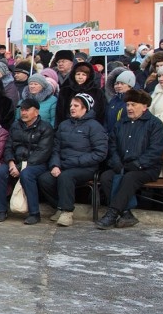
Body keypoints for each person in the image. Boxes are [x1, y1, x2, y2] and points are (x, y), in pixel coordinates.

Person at [96, 89, 163, 229]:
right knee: (106, 176)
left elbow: (156, 150)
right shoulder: (121, 123)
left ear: (144, 106)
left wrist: (138, 164)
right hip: (123, 165)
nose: (129, 108)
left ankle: (112, 213)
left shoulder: (155, 124)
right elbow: (112, 145)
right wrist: (116, 162)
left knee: (130, 177)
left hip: (146, 168)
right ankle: (126, 214)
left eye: (133, 105)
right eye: (128, 105)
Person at [37, 94, 109, 227]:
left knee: (66, 177)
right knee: (44, 179)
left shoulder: (94, 126)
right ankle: (59, 206)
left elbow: (100, 153)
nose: (72, 108)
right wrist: (55, 165)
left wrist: (74, 162)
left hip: (86, 167)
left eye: (76, 106)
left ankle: (67, 212)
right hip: (63, 165)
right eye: (71, 105)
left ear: (85, 109)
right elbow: (55, 148)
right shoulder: (64, 125)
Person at [0, 98, 55, 225]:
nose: (23, 113)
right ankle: (0, 210)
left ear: (36, 112)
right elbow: (8, 147)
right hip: (15, 162)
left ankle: (34, 213)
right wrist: (11, 162)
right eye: (22, 110)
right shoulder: (15, 126)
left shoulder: (45, 127)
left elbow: (43, 152)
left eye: (27, 110)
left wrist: (21, 167)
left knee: (27, 174)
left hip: (37, 163)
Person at [57, 60, 106, 126]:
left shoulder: (97, 92)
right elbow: (60, 112)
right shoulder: (65, 91)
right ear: (73, 75)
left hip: (91, 127)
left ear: (89, 76)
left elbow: (101, 113)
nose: (80, 77)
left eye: (84, 74)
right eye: (78, 74)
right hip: (69, 126)